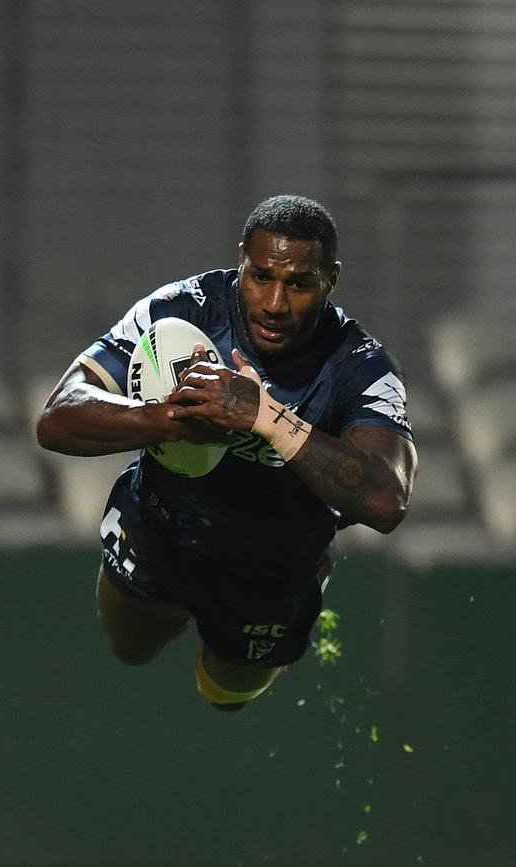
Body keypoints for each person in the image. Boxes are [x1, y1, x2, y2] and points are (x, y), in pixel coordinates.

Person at [37, 194, 418, 711]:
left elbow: (386, 501)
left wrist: (261, 416)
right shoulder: (182, 307)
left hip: (274, 573)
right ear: (241, 260)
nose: (275, 303)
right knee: (130, 649)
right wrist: (166, 417)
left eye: (300, 284)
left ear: (332, 279)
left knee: (226, 698)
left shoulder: (362, 366)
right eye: (261, 276)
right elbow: (58, 415)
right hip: (159, 529)